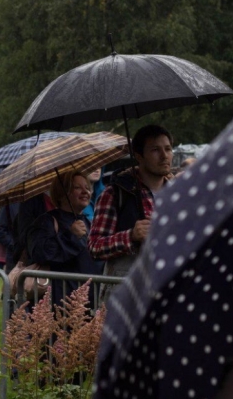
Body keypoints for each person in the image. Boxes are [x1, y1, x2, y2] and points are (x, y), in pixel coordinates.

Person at [89, 124, 173, 296]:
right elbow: (95, 246)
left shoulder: (178, 193)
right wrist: (130, 236)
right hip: (125, 293)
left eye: (168, 149)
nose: (165, 156)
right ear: (138, 156)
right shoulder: (116, 193)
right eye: (155, 150)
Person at [27, 172, 100, 309]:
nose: (85, 192)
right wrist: (70, 235)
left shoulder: (89, 223)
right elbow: (41, 253)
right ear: (62, 193)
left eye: (87, 187)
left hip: (87, 304)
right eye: (77, 187)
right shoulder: (46, 221)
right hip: (58, 304)